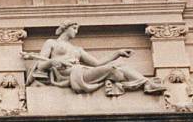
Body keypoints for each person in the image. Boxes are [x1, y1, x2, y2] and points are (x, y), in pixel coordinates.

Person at [22, 22, 164, 97]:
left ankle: (147, 84)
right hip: (71, 75)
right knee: (113, 69)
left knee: (119, 67)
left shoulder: (78, 50)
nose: (76, 31)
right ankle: (145, 84)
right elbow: (40, 65)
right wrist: (53, 62)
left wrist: (117, 53)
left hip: (83, 72)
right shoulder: (51, 43)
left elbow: (97, 63)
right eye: (74, 28)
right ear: (66, 28)